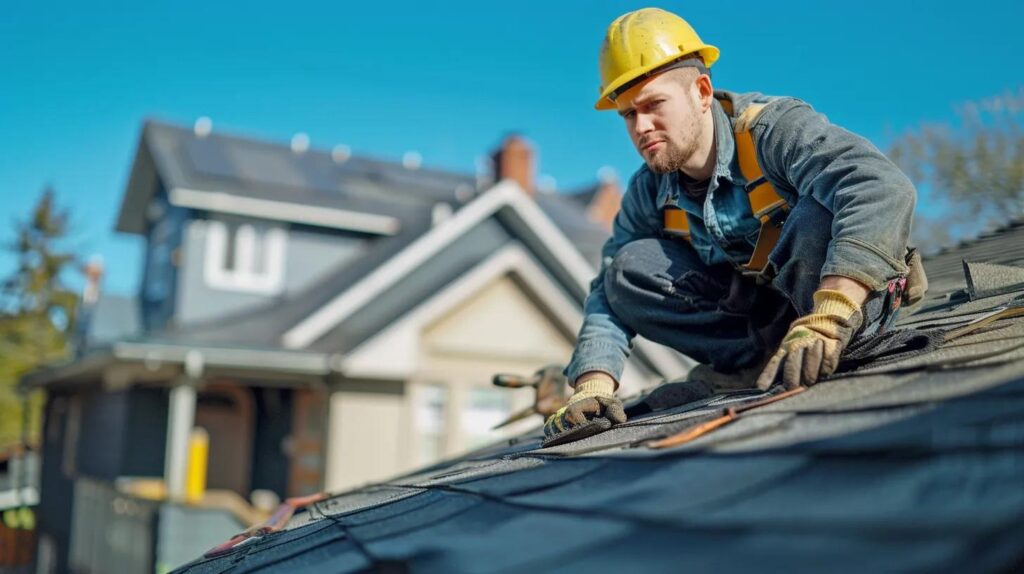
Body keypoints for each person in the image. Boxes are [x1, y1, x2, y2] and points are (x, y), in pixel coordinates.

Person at [544, 7, 921, 440]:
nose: (641, 127)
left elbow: (882, 186)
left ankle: (835, 340)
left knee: (818, 210)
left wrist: (832, 312)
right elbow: (608, 293)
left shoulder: (774, 132)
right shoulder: (649, 191)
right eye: (628, 114)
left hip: (841, 310)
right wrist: (592, 383)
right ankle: (749, 367)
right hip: (762, 333)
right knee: (625, 269)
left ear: (702, 91)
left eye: (652, 106)